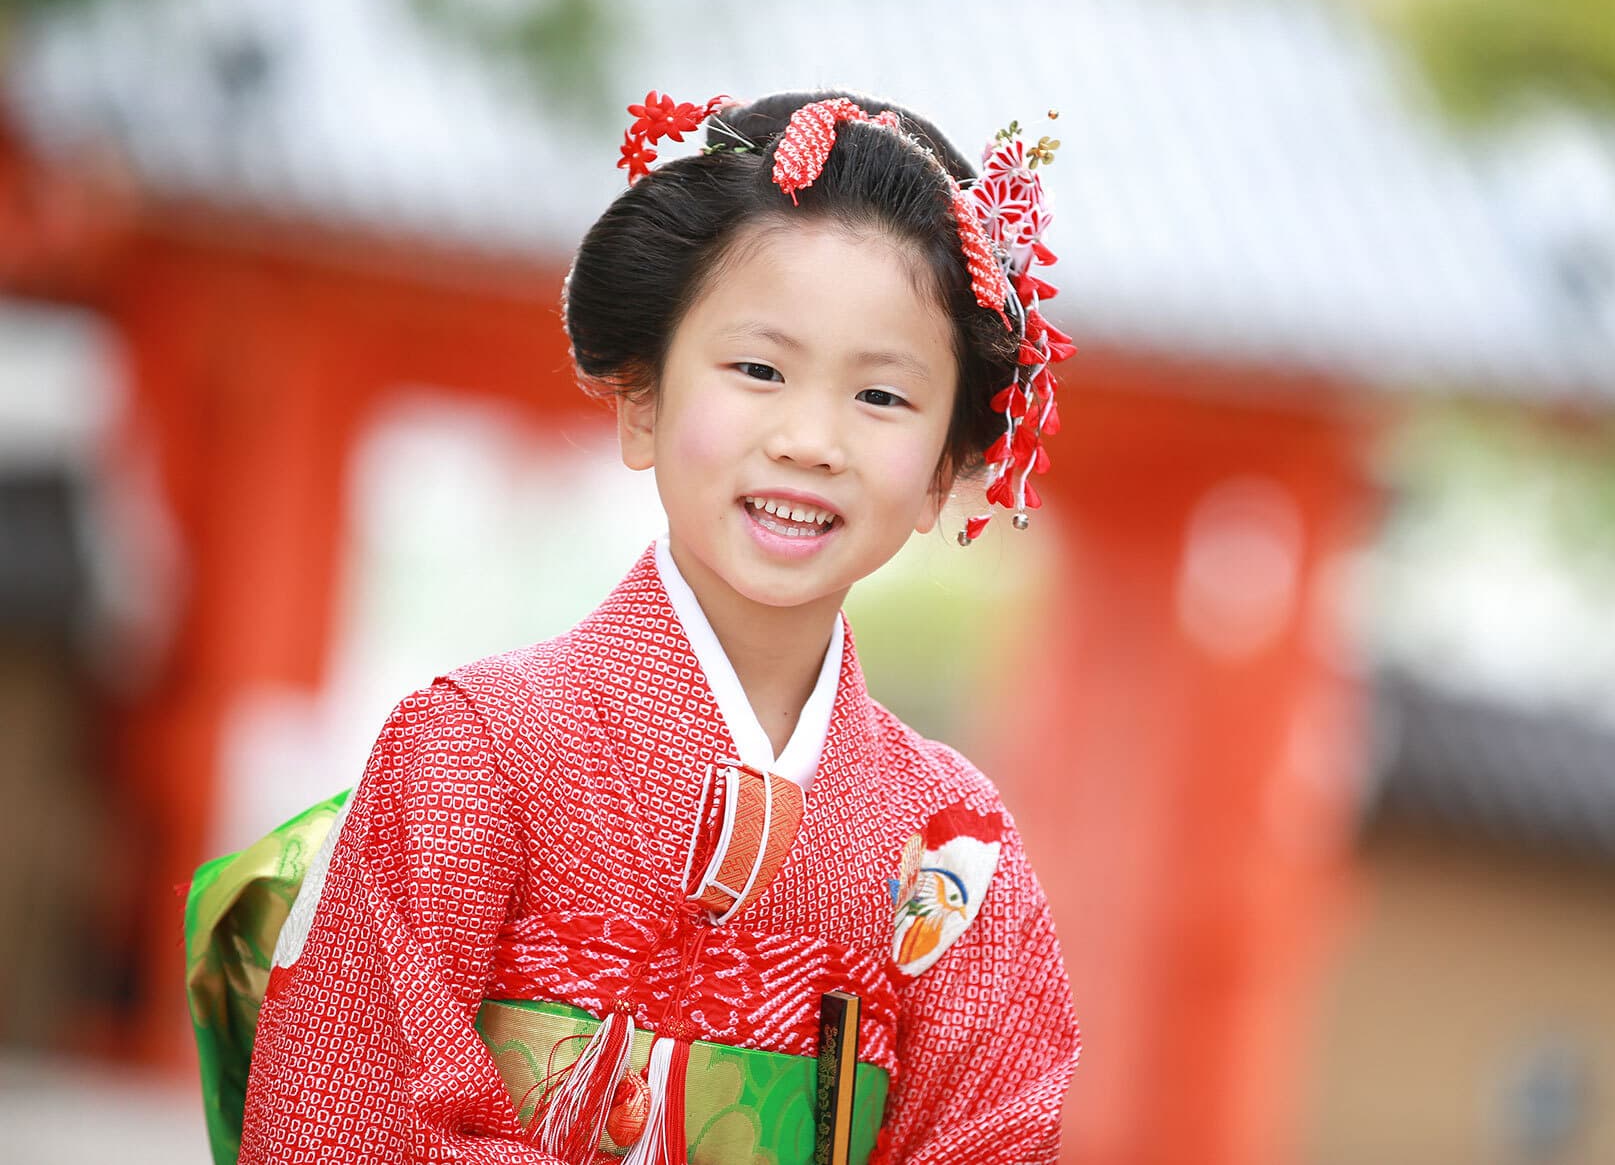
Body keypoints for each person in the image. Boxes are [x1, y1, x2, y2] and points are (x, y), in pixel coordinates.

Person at [233, 89, 1078, 1164]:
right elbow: (340, 1126)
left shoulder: (954, 849)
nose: (810, 439)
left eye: (881, 397)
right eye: (759, 370)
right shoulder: (473, 750)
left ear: (945, 468)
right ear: (642, 401)